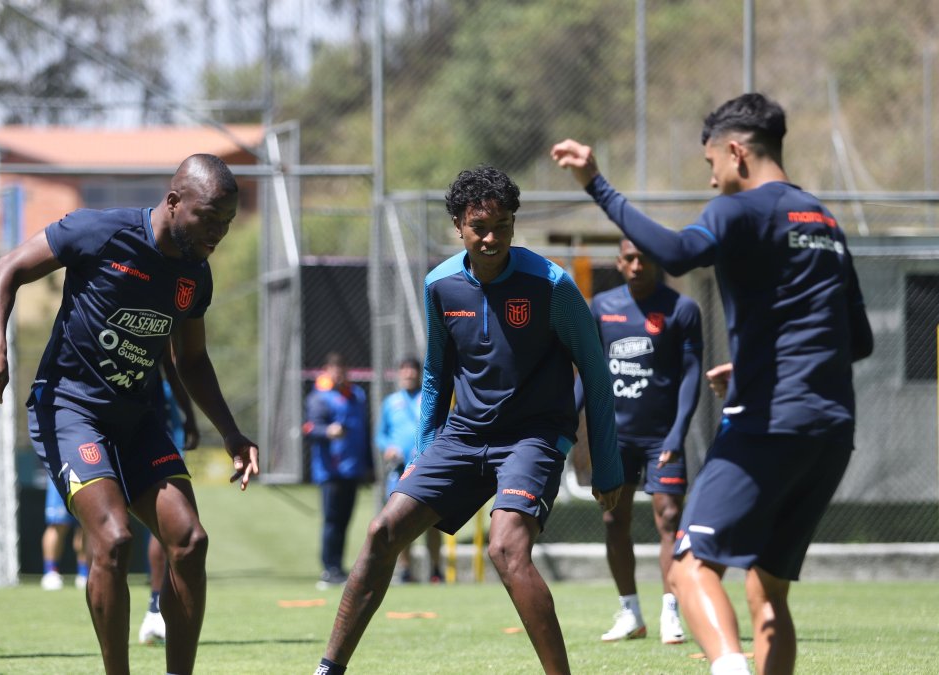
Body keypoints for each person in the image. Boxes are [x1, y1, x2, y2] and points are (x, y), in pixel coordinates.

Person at [552, 92, 874, 675]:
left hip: (767, 420)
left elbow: (676, 252)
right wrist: (757, 364)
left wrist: (596, 184)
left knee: (688, 566)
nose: (711, 181)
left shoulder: (739, 210)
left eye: (710, 167)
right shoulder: (824, 221)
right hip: (830, 428)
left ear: (735, 153)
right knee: (767, 593)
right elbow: (860, 341)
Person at [314, 166, 623, 675]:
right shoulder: (441, 285)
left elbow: (594, 368)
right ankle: (329, 668)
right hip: (465, 434)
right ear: (458, 224)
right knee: (380, 533)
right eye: (480, 225)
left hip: (533, 436)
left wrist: (606, 465)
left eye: (502, 225)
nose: (491, 237)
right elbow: (436, 377)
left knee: (505, 548)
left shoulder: (551, 284)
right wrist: (421, 457)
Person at [0, 153, 259, 675]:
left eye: (227, 222)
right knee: (114, 537)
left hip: (137, 419)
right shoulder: (99, 232)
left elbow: (190, 359)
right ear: (174, 201)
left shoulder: (194, 276)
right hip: (71, 408)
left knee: (190, 543)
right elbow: (4, 269)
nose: (218, 231)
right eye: (209, 217)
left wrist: (232, 432)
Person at [578, 239, 702, 644]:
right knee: (614, 519)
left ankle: (671, 612)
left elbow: (690, 376)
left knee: (669, 518)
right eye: (628, 258)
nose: (636, 265)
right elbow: (589, 372)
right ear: (618, 261)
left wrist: (677, 433)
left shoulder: (681, 309)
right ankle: (630, 612)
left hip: (662, 437)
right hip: (615, 438)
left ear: (656, 261)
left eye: (643, 258)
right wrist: (569, 424)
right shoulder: (601, 307)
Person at [137, 354, 200, 645]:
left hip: (156, 425)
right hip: (101, 418)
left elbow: (177, 364)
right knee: (114, 533)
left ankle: (155, 608)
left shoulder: (166, 317)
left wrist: (188, 414)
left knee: (169, 523)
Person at [303, 352, 370, 589]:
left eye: (342, 369)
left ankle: (339, 568)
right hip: (330, 470)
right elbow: (310, 429)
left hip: (352, 468)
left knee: (345, 521)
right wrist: (328, 431)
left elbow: (364, 431)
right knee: (332, 520)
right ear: (327, 371)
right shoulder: (320, 397)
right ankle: (328, 568)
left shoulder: (356, 395)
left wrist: (367, 465)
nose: (339, 374)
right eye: (335, 369)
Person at [374, 357, 441, 584]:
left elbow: (444, 425)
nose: (409, 374)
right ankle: (405, 570)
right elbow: (381, 435)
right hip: (400, 472)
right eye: (405, 370)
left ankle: (435, 569)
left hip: (427, 469)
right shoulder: (391, 402)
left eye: (413, 370)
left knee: (433, 522)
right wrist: (388, 447)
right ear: (399, 374)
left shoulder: (430, 398)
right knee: (400, 523)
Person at [39, 479, 89, 591]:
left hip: (87, 474)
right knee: (57, 524)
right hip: (61, 474)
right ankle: (50, 572)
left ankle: (84, 574)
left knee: (86, 525)